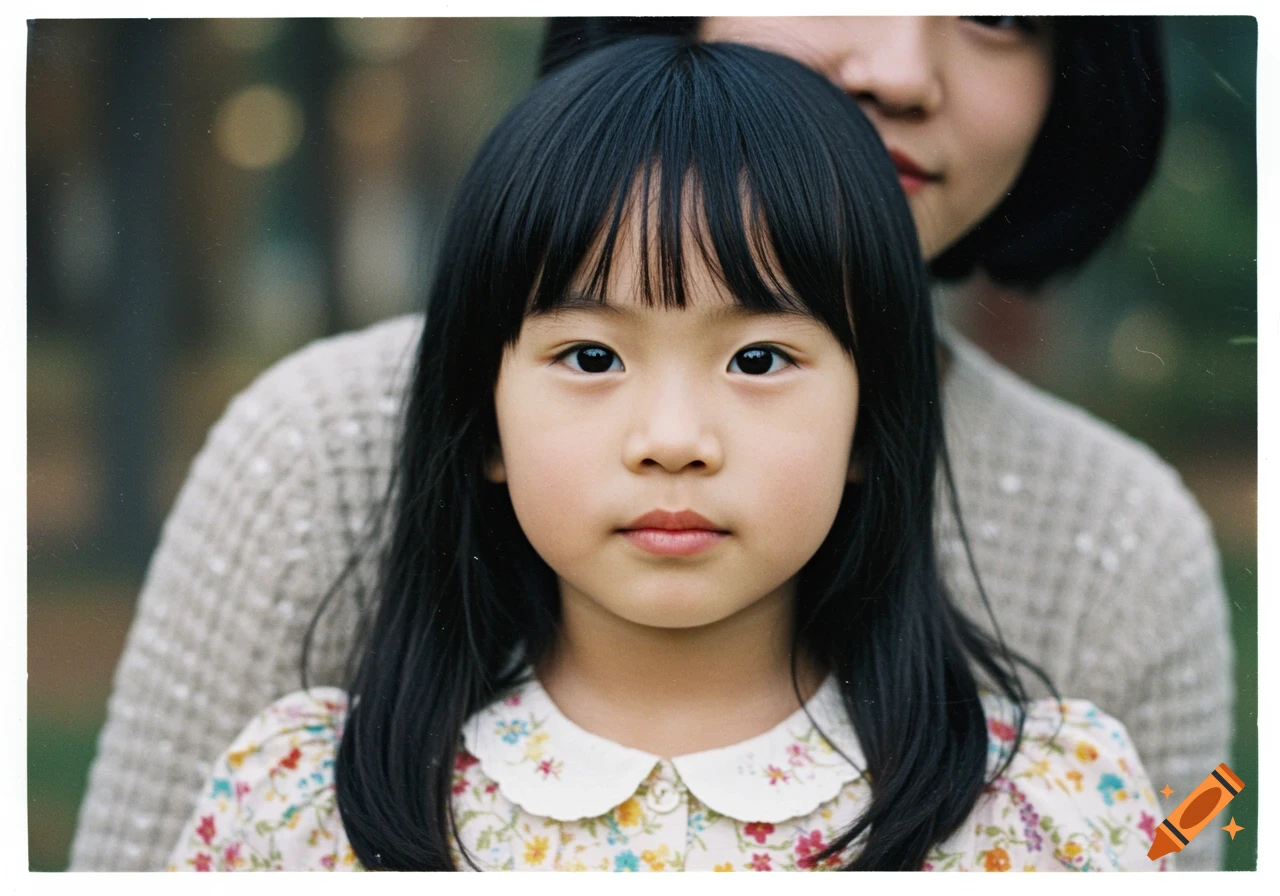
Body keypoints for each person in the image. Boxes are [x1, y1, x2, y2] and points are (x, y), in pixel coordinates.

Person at [70, 17, 1232, 872]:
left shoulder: (1056, 767)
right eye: (588, 357)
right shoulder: (299, 783)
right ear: (475, 415)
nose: (897, 68)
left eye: (996, 12)